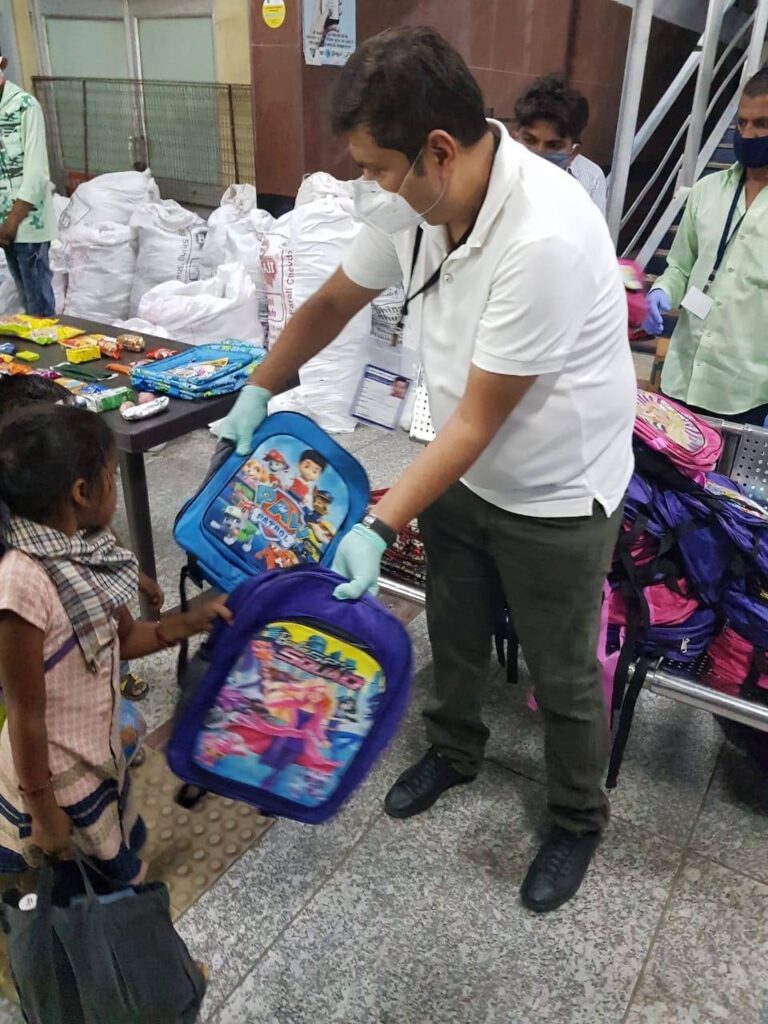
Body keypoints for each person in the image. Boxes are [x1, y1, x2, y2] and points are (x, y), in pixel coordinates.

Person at [215, 27, 635, 913]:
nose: (371, 185)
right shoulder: (419, 203)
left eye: (378, 168)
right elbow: (333, 301)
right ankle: (452, 750)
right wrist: (260, 385)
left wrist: (378, 523)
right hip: (458, 473)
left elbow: (481, 418)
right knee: (456, 625)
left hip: (556, 490)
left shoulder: (547, 235)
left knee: (562, 673)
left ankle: (575, 816)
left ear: (438, 151)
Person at [0, 405, 230, 882]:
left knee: (117, 831)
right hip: (58, 775)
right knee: (95, 877)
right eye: (112, 475)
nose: (116, 485)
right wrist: (43, 812)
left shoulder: (88, 551)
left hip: (99, 751)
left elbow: (123, 638)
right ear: (81, 492)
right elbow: (25, 713)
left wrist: (189, 622)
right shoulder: (22, 585)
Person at [0, 374, 165, 701]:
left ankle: (114, 673)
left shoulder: (72, 515)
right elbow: (26, 711)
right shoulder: (18, 571)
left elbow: (101, 535)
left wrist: (135, 574)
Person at [642, 67, 768, 425]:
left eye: (761, 124)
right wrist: (662, 291)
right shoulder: (707, 190)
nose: (747, 134)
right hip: (681, 379)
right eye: (741, 122)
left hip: (746, 395)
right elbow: (681, 266)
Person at [0, 50, 57, 316]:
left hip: (27, 223)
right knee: (25, 300)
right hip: (4, 227)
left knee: (39, 305)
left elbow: (36, 173)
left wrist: (11, 223)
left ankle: (47, 343)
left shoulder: (25, 106)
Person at [514, 72, 607, 215]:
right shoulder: (496, 173)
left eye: (553, 146)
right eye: (529, 140)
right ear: (516, 137)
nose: (539, 151)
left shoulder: (591, 179)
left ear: (573, 152)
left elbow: (592, 229)